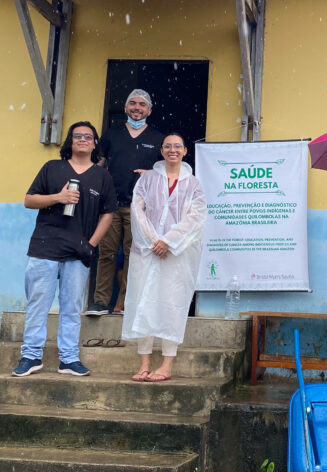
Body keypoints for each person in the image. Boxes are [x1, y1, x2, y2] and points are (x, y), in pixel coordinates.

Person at [13, 121, 116, 377]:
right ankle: (31, 356)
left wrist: (91, 245)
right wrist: (58, 198)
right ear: (70, 140)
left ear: (95, 144)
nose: (83, 139)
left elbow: (108, 214)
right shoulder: (52, 168)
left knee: (71, 307)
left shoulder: (102, 176)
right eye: (77, 135)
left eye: (88, 136)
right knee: (38, 304)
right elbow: (29, 200)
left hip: (79, 251)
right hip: (45, 246)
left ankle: (68, 358)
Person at [121, 133, 206, 382]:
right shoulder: (147, 179)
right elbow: (137, 211)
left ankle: (167, 364)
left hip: (177, 255)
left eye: (177, 146)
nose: (173, 150)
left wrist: (168, 241)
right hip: (147, 252)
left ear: (185, 151)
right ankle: (144, 363)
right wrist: (153, 241)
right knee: (143, 302)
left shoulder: (194, 184)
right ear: (161, 151)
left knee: (172, 304)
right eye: (168, 146)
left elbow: (196, 218)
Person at [85, 89, 163, 316]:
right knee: (106, 253)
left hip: (140, 207)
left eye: (142, 104)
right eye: (133, 103)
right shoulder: (112, 135)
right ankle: (100, 302)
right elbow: (98, 164)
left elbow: (166, 172)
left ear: (149, 111)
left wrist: (151, 174)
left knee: (134, 255)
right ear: (126, 108)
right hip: (109, 205)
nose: (137, 108)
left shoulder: (158, 138)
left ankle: (128, 302)